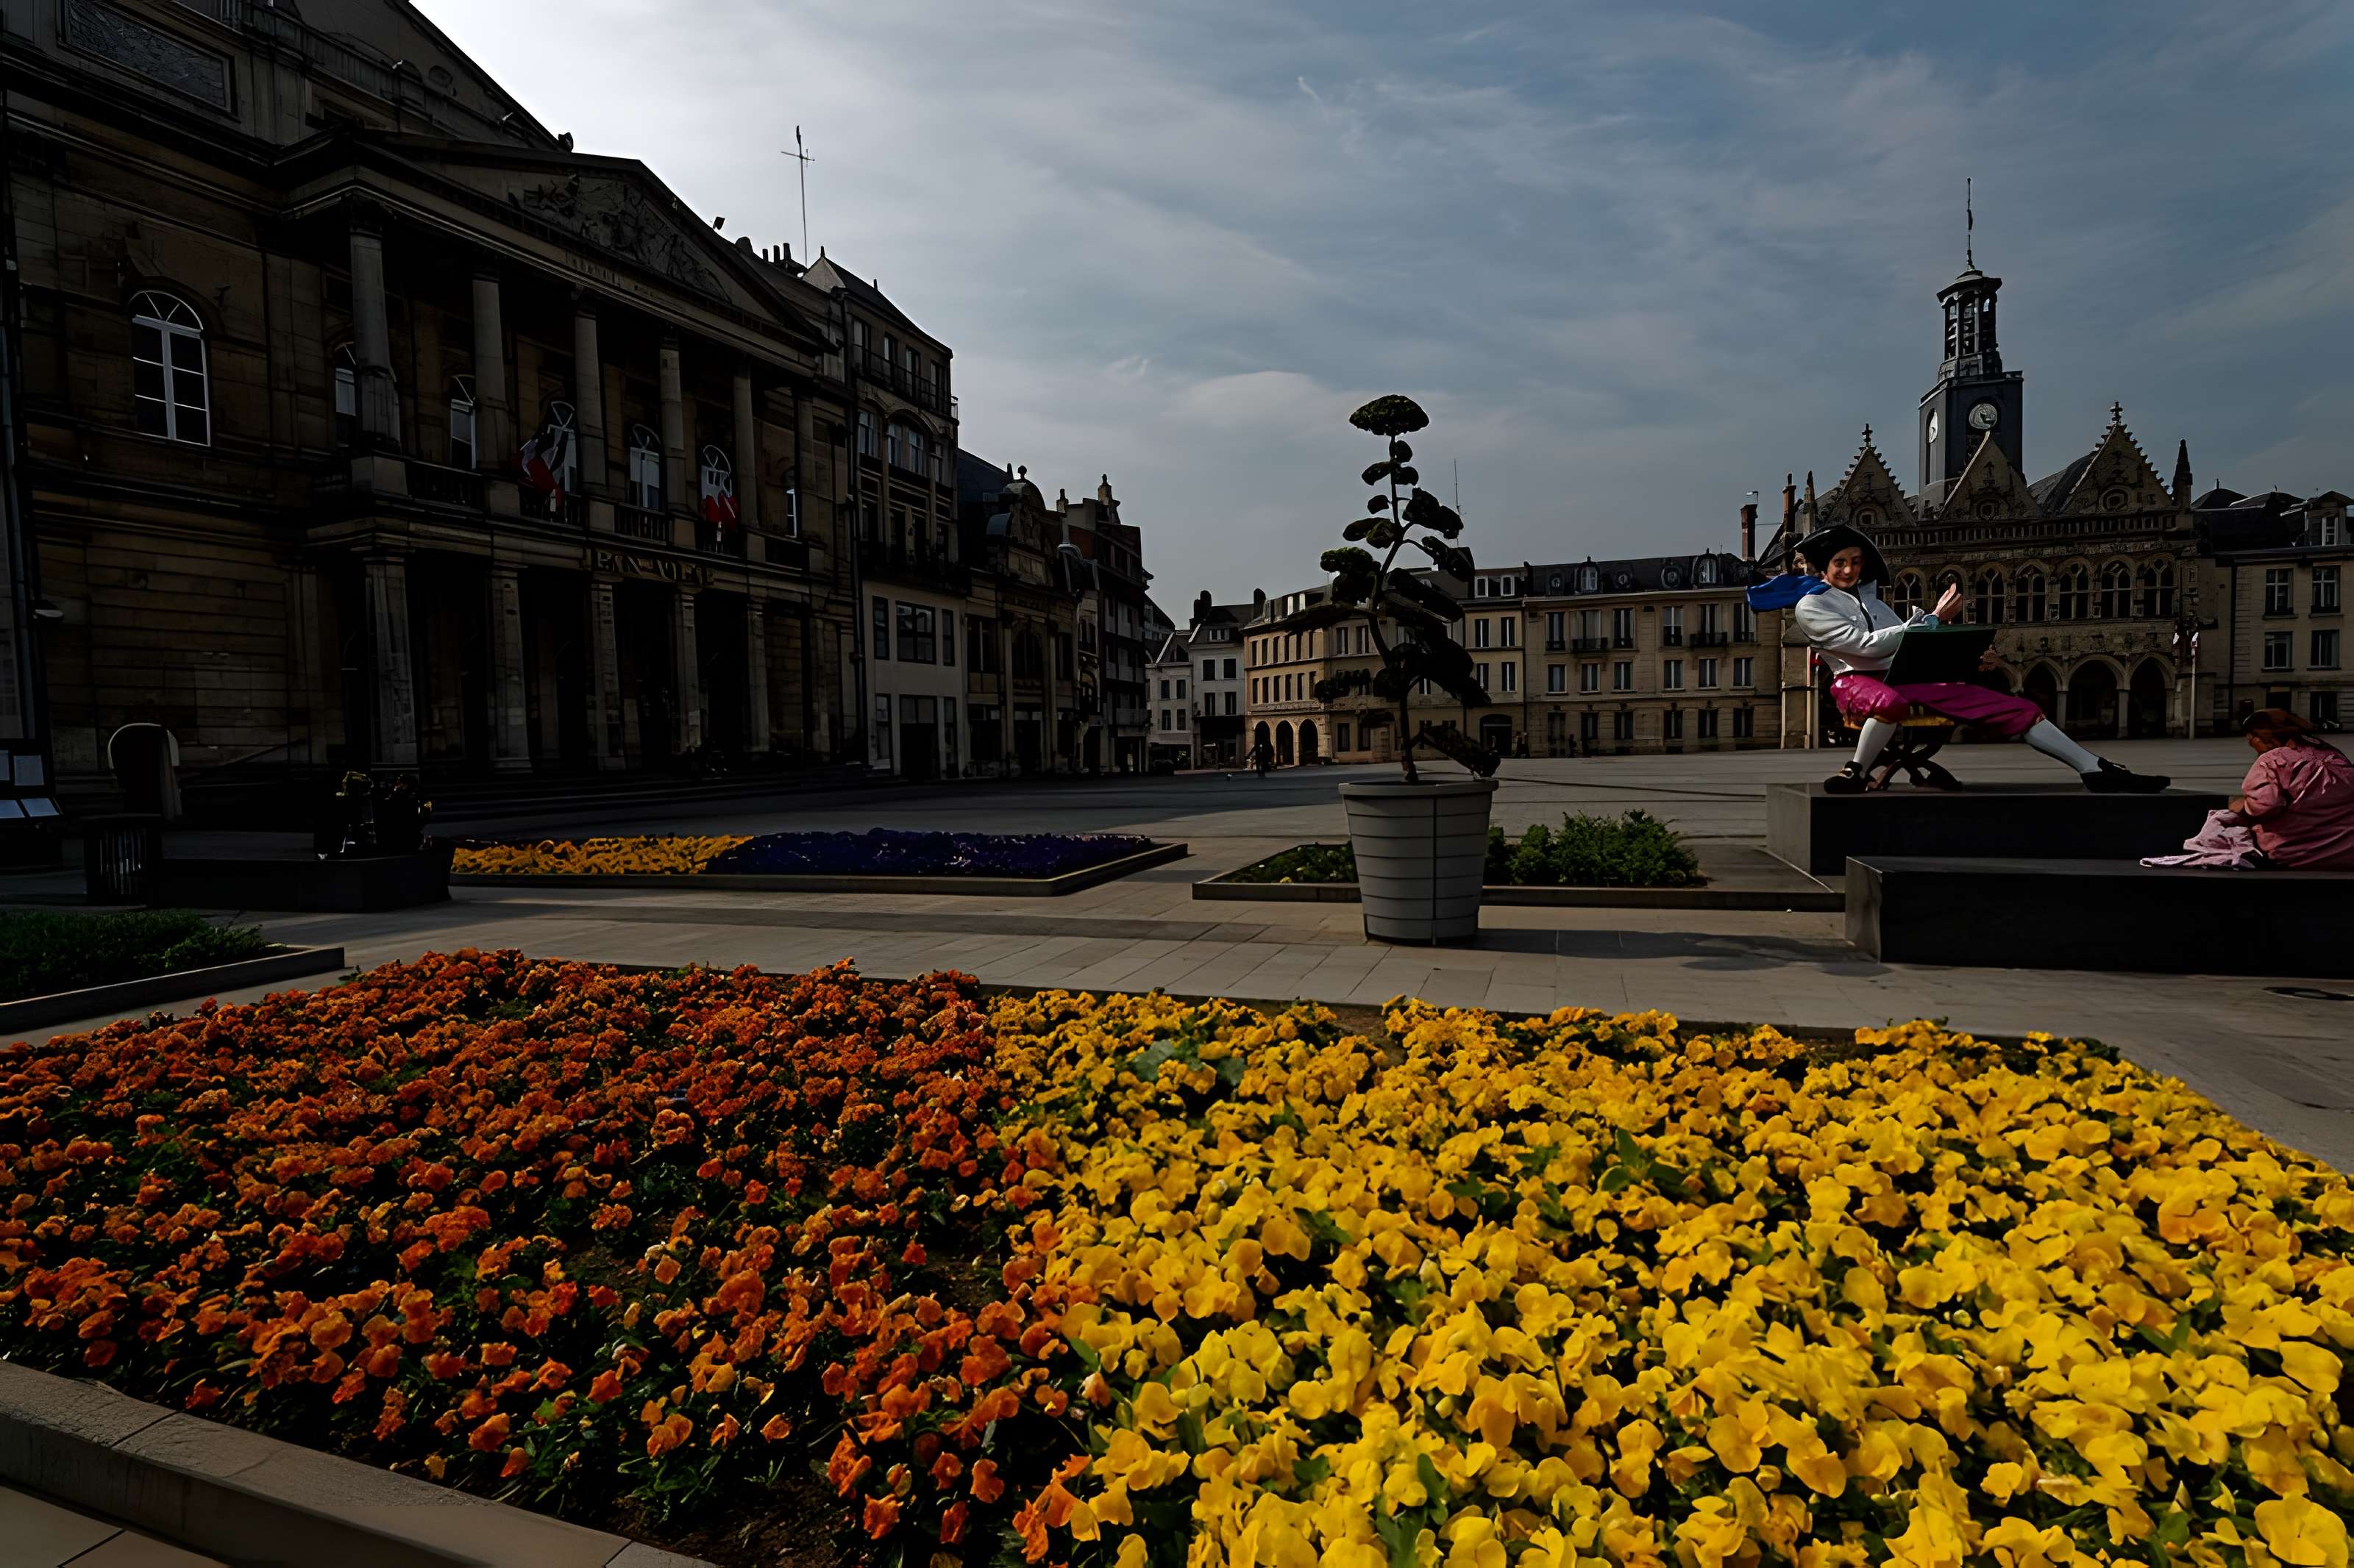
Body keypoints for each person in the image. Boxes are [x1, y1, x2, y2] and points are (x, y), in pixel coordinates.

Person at [1748, 523, 2169, 795]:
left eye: (1856, 562)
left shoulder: (1873, 601)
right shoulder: (1812, 606)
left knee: (2020, 709)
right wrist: (1931, 619)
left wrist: (1965, 659)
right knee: (1890, 703)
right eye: (1841, 562)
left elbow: (1911, 647)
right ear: (1824, 566)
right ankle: (1857, 770)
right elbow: (1865, 648)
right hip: (1853, 681)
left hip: (1905, 676)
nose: (1850, 569)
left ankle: (2093, 768)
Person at [2222, 708, 2354, 868]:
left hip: (2295, 854)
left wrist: (2240, 806)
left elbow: (2264, 806)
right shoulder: (2334, 755)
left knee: (2222, 825)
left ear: (2257, 741)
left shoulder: (2273, 760)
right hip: (2347, 853)